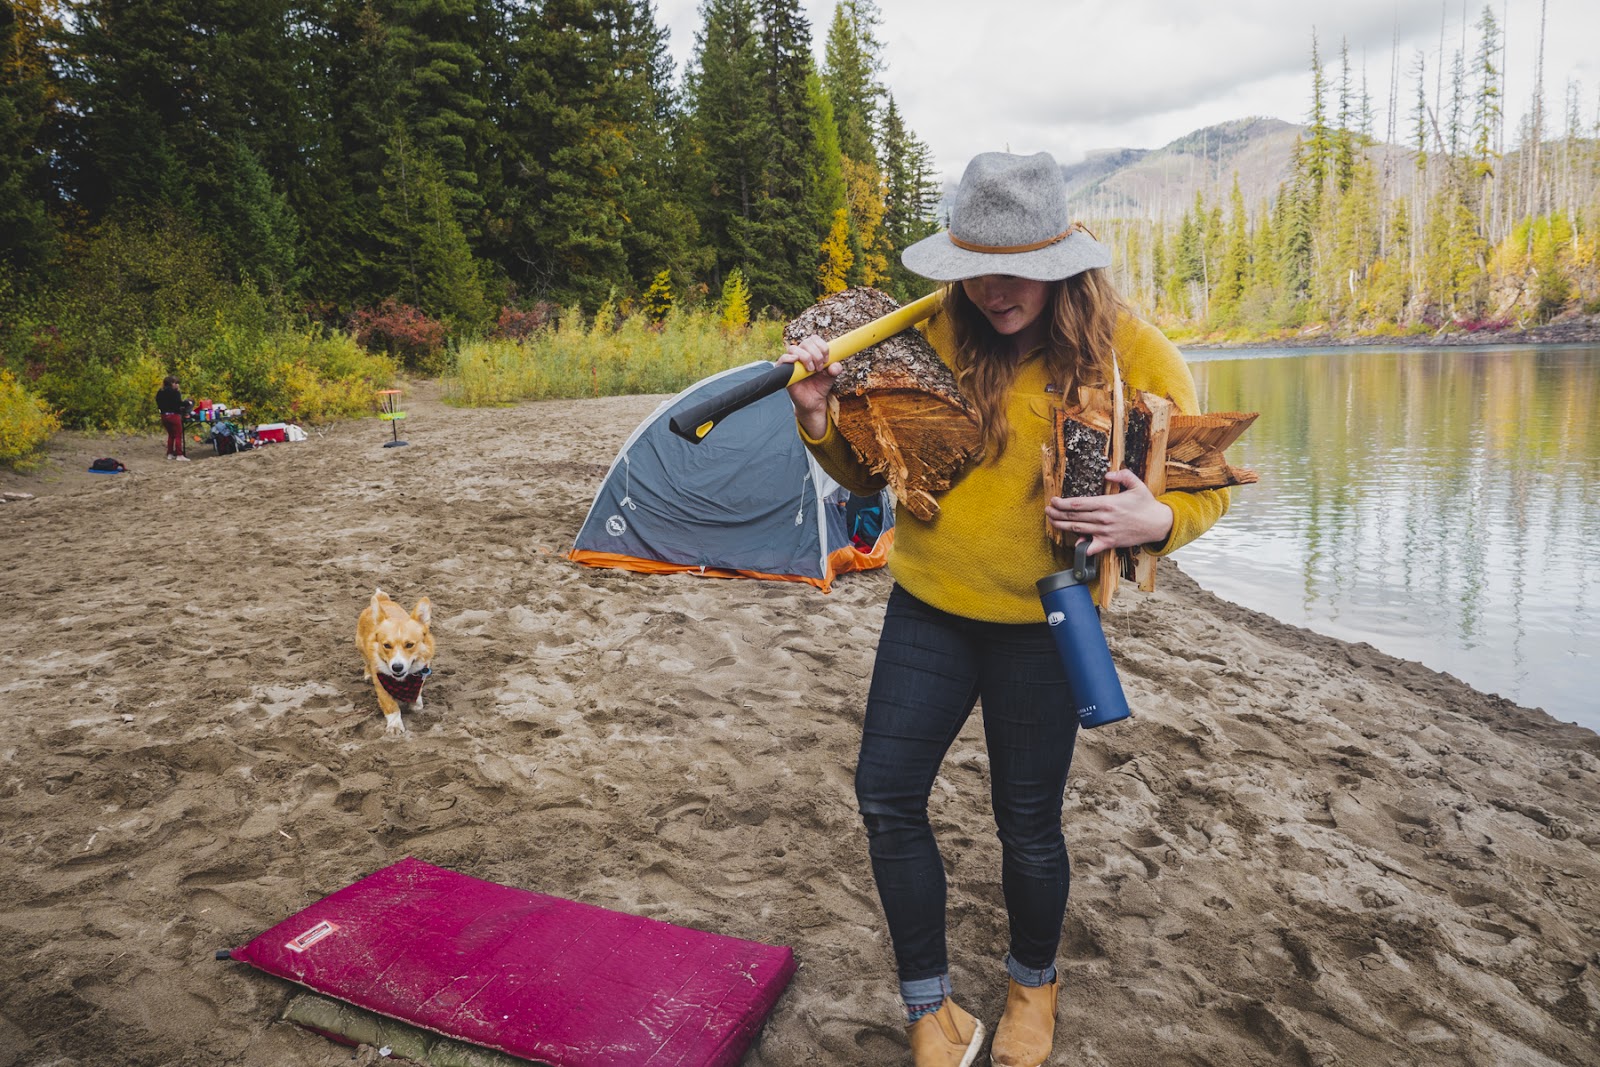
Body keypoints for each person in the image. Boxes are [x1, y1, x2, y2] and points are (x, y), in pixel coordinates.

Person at [782, 151, 1229, 1067]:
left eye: (1017, 265)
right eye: (975, 265)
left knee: (1026, 822)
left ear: (1064, 259)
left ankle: (1034, 984)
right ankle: (931, 1009)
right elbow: (877, 475)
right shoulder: (929, 331)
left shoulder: (1133, 350)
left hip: (1045, 624)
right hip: (931, 606)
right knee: (885, 795)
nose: (994, 287)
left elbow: (1203, 484)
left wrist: (1158, 518)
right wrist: (821, 419)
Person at [156, 375, 190, 461]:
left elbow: (158, 402)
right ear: (172, 383)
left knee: (171, 435)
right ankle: (179, 454)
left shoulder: (160, 392)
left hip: (164, 415)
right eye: (176, 383)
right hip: (174, 416)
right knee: (178, 435)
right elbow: (178, 404)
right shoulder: (175, 392)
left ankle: (170, 453)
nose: (177, 385)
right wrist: (187, 403)